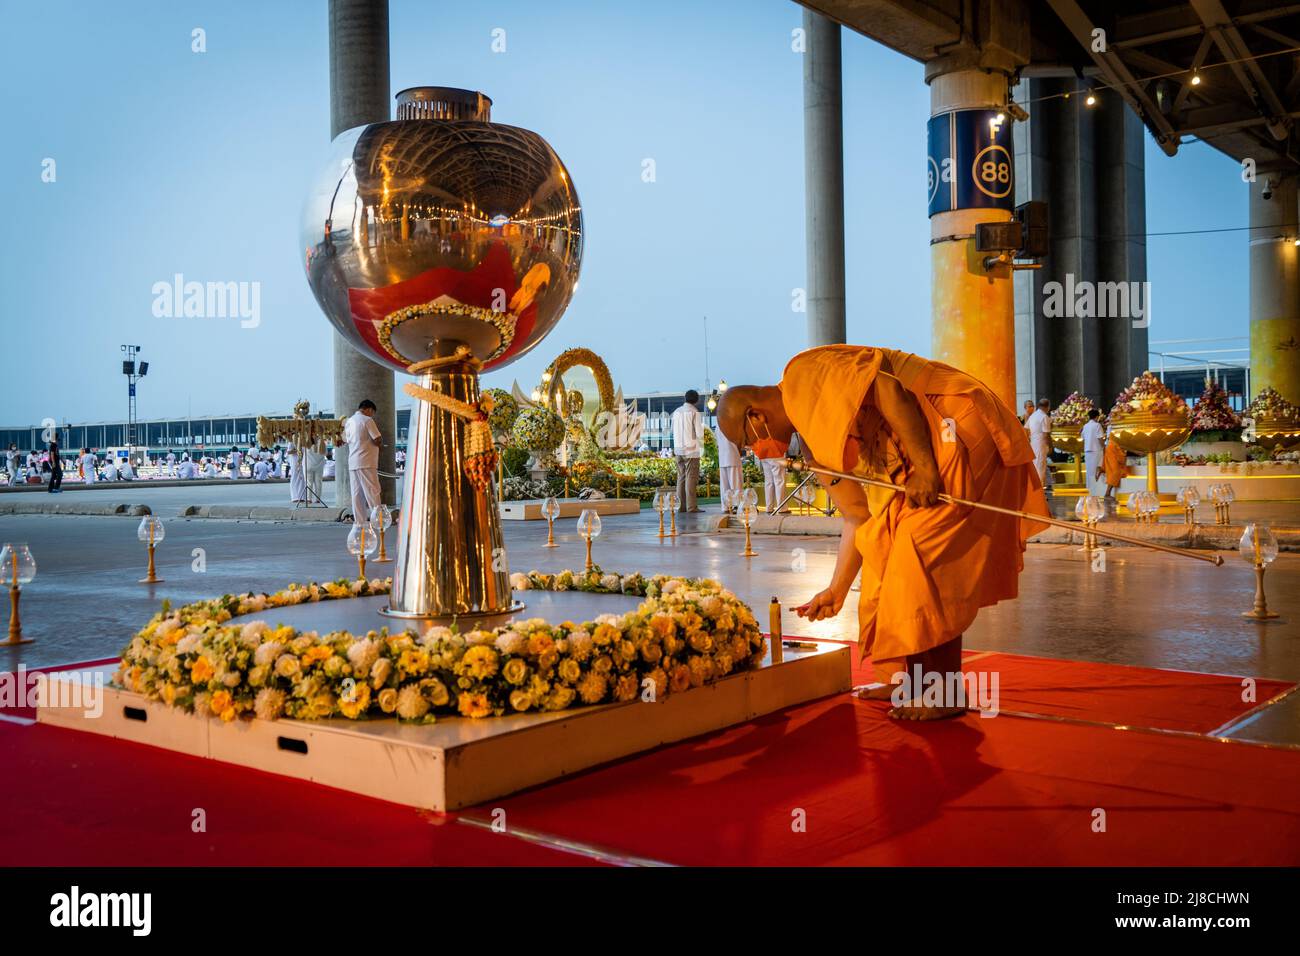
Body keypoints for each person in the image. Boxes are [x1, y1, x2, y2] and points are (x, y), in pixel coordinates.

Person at [718, 345, 1048, 720]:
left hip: (951, 422)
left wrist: (924, 467)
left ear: (755, 414)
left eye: (749, 442)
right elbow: (858, 517)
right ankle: (904, 679)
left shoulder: (802, 375)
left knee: (918, 554)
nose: (758, 453)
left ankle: (943, 690)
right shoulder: (813, 441)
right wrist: (836, 590)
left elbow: (887, 388)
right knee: (883, 552)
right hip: (925, 448)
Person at [340, 399, 382, 525]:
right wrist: (379, 445)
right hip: (367, 461)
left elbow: (345, 440)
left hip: (353, 462)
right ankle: (378, 520)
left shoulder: (349, 421)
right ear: (369, 409)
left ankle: (359, 522)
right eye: (372, 412)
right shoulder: (367, 420)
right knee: (373, 491)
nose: (372, 415)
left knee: (357, 494)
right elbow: (377, 439)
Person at [670, 390, 704, 513]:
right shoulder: (694, 412)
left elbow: (672, 431)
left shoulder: (676, 412)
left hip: (678, 449)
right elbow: (700, 433)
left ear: (685, 398)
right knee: (691, 477)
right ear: (697, 400)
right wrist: (702, 450)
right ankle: (691, 507)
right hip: (692, 450)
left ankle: (681, 506)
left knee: (681, 477)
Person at [714, 421, 742, 513]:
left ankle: (725, 506)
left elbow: (716, 441)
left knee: (724, 485)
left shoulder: (718, 423)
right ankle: (736, 506)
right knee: (736, 484)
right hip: (733, 455)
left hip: (722, 456)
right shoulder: (733, 422)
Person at [1024, 398, 1052, 490]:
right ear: (1047, 407)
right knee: (1040, 466)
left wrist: (1029, 440)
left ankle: (1034, 489)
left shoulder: (1033, 416)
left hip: (1033, 443)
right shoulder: (1044, 417)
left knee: (1035, 465)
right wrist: (1050, 446)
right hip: (1041, 444)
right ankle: (1039, 491)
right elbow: (1046, 434)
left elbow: (1026, 429)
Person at [1080, 408, 1106, 496]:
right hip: (1096, 450)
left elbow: (1083, 438)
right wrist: (1104, 447)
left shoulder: (1085, 426)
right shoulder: (1097, 425)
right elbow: (1100, 438)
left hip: (1087, 450)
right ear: (1097, 417)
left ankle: (1089, 488)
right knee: (1097, 470)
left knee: (1089, 471)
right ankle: (1095, 489)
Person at [1103, 425, 1126, 502]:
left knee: (1115, 470)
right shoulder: (1114, 426)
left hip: (1113, 447)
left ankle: (1107, 494)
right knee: (1115, 471)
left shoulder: (1116, 427)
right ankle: (1107, 494)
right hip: (1112, 448)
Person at [303, 438, 325, 504]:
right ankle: (318, 499)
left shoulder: (307, 444)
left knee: (308, 483)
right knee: (318, 483)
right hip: (319, 466)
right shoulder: (322, 445)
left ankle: (309, 499)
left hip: (308, 465)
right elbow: (325, 453)